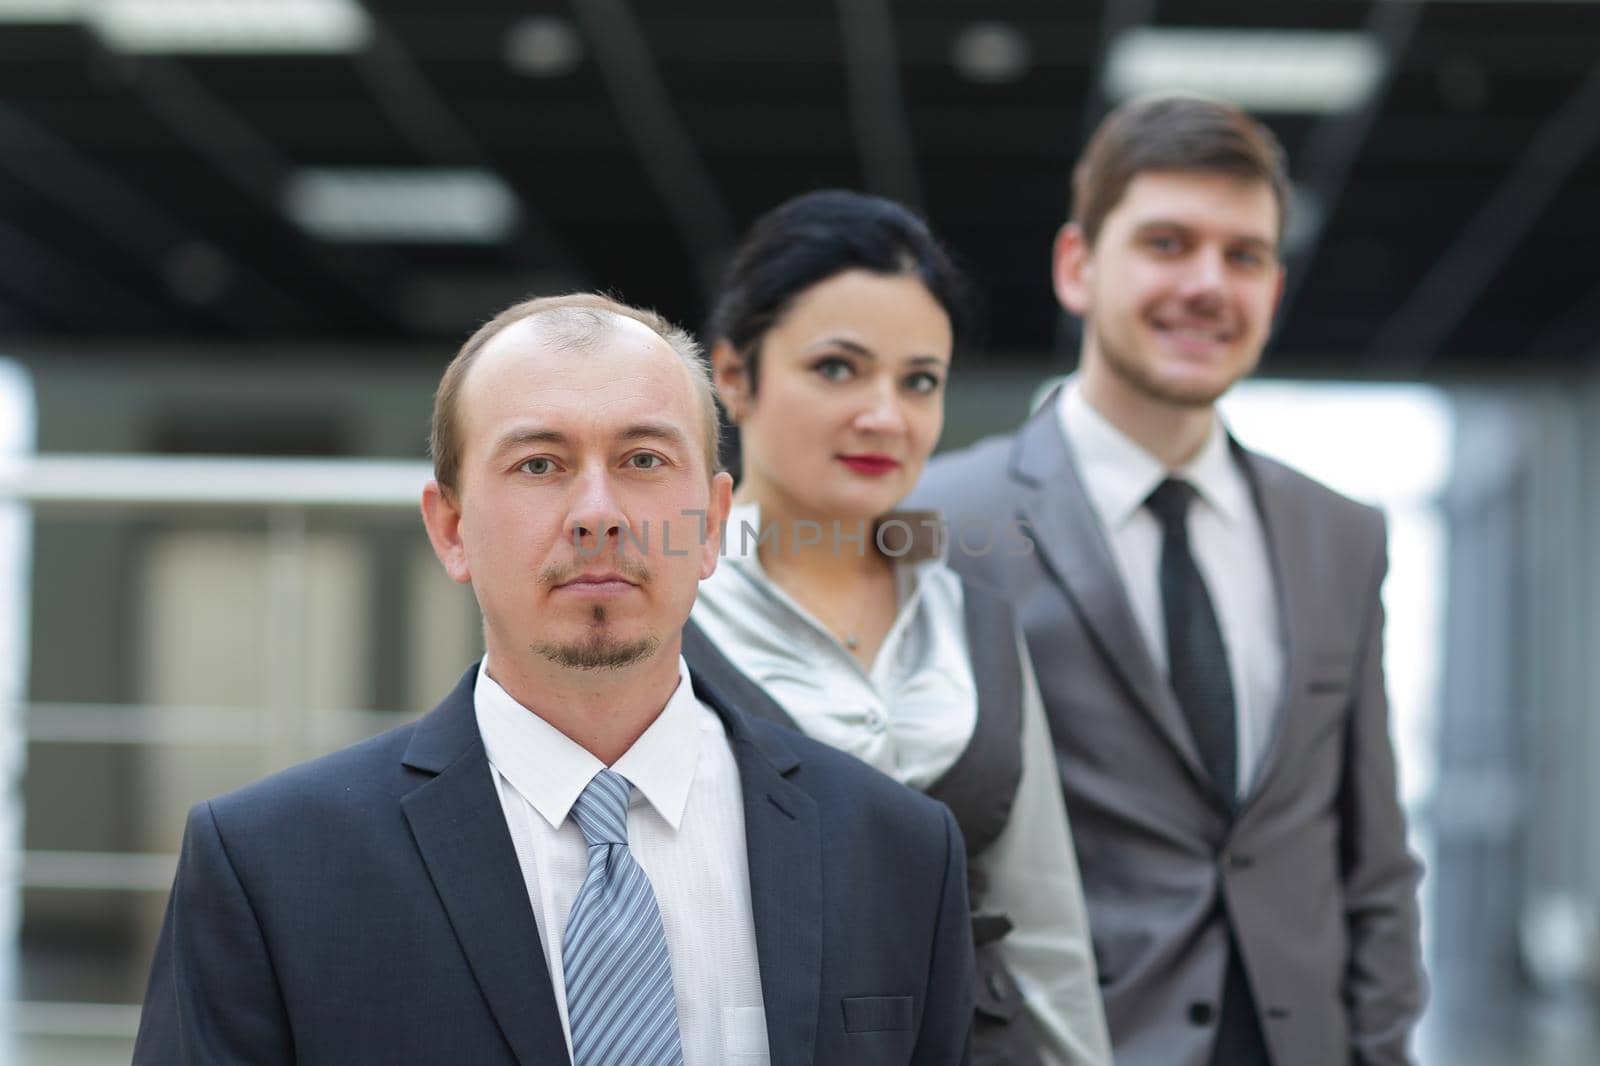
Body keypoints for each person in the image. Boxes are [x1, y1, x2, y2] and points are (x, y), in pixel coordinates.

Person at [133, 292, 976, 1066]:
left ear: (713, 523)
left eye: (644, 459)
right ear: (452, 528)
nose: (597, 511)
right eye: (540, 465)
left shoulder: (898, 851)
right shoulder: (270, 869)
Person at [910, 95, 1427, 1066]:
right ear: (1078, 267)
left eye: (1243, 256)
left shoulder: (1340, 535)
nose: (1206, 284)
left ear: (1273, 290)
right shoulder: (938, 522)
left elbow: (1373, 862)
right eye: (1166, 241)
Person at [684, 189, 1111, 1066]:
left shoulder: (975, 620)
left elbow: (1044, 926)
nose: (886, 414)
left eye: (919, 380)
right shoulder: (667, 616)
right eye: (838, 368)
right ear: (733, 375)